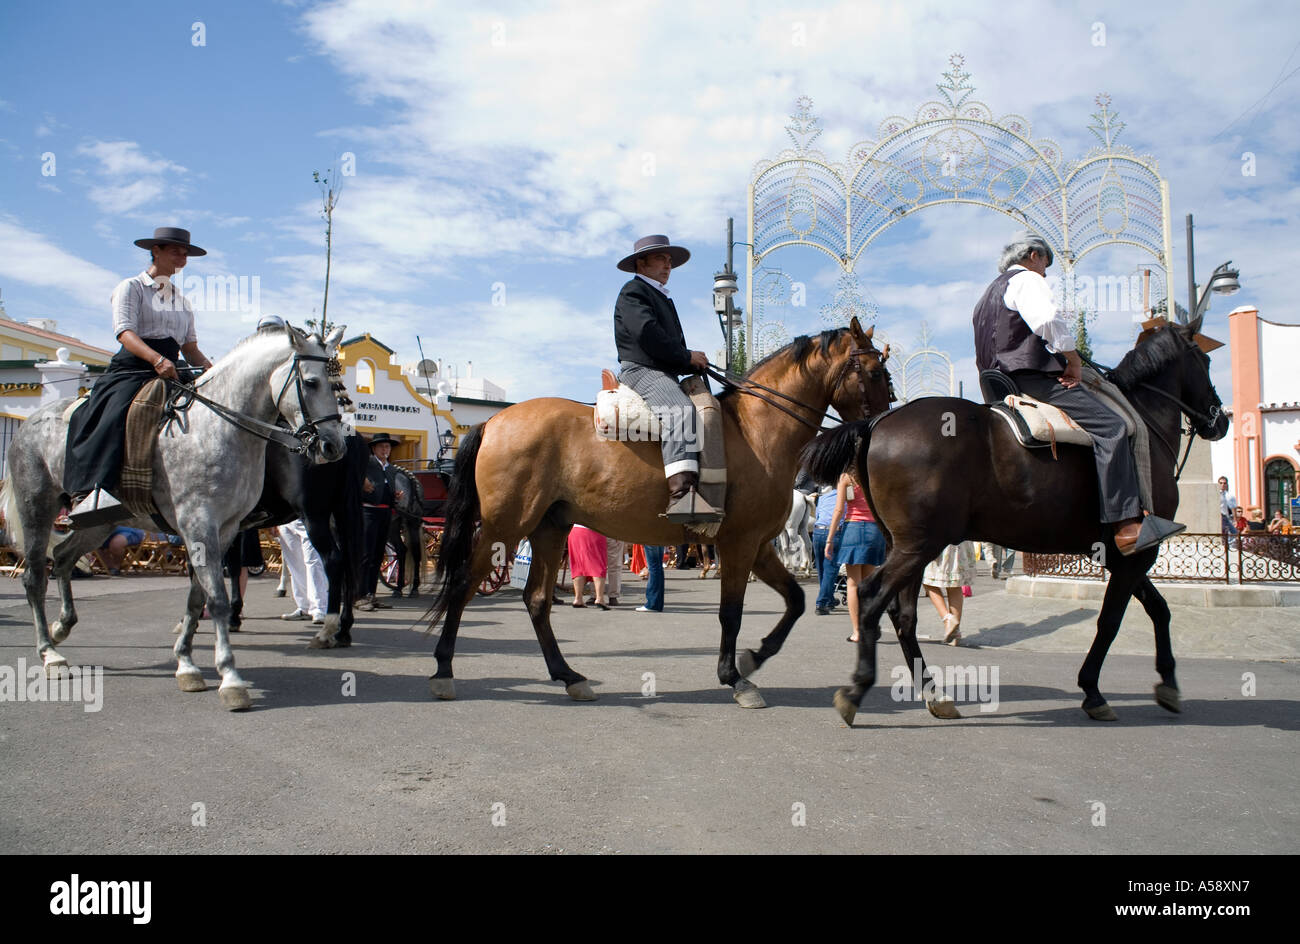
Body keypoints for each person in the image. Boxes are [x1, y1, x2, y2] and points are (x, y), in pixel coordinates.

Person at [973, 231, 1182, 555]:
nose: (1045, 272)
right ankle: (1126, 526)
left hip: (996, 385)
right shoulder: (1027, 280)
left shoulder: (985, 297)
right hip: (1032, 379)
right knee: (1112, 427)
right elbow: (1048, 321)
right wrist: (1072, 362)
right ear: (1033, 255)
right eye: (1045, 264)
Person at [65, 227, 214, 527]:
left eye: (185, 252)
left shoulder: (182, 301)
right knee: (113, 413)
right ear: (155, 251)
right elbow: (124, 332)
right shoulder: (131, 287)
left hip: (173, 368)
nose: (182, 256)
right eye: (176, 250)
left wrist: (212, 371)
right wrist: (156, 359)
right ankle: (90, 492)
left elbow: (190, 347)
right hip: (135, 366)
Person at [613, 234, 722, 526]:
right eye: (661, 258)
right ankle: (682, 498)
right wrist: (686, 357)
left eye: (669, 260)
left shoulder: (659, 295)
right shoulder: (633, 291)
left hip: (662, 370)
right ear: (642, 262)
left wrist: (686, 360)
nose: (667, 265)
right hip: (642, 370)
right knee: (681, 412)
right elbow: (648, 334)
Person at [825, 468, 886, 644]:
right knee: (869, 585)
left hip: (853, 528)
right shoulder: (874, 473)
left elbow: (838, 510)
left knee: (853, 584)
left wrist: (830, 539)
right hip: (875, 530)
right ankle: (871, 627)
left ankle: (858, 631)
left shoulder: (846, 478)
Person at [358, 432, 404, 611]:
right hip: (368, 512)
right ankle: (360, 595)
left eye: (388, 447)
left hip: (385, 513)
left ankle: (371, 594)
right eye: (382, 446)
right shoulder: (366, 464)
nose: (385, 450)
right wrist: (362, 481)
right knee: (366, 555)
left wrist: (396, 497)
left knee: (377, 555)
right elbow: (353, 474)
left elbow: (387, 490)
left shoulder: (391, 469)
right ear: (374, 448)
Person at [923, 543, 977, 646]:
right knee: (954, 584)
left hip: (942, 541)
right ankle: (955, 634)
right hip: (961, 541)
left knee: (926, 579)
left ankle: (948, 619)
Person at [275, 519, 327, 625]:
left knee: (313, 562)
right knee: (295, 564)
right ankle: (304, 607)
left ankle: (319, 608)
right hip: (286, 519)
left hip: (308, 516)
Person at [809, 483, 840, 615]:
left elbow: (817, 514)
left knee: (821, 569)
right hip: (833, 532)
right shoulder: (843, 498)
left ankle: (829, 598)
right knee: (830, 570)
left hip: (817, 531)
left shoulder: (822, 498)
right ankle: (821, 603)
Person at [567, 524, 609, 610]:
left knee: (578, 566)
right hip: (593, 530)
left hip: (575, 531)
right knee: (598, 564)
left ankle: (578, 598)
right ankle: (600, 598)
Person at [637, 545, 666, 613]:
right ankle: (657, 603)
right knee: (658, 566)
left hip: (651, 538)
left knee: (654, 566)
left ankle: (652, 604)